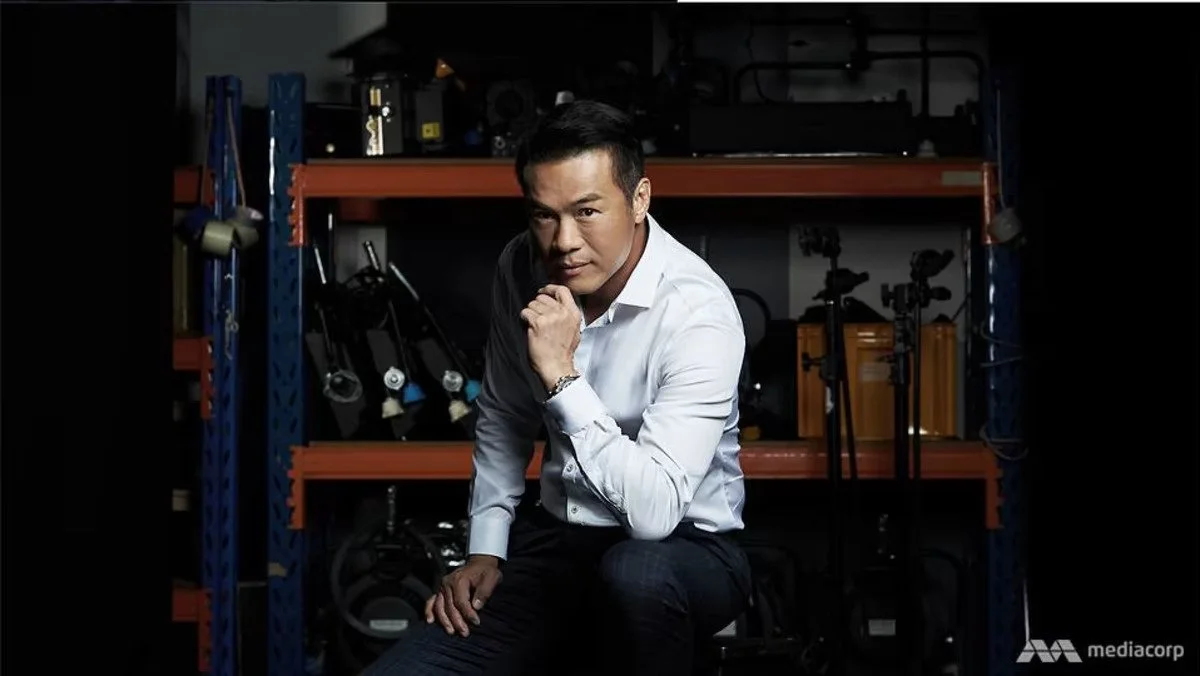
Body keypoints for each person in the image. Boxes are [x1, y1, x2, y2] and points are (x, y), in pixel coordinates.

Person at [363, 100, 752, 676]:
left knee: (634, 572)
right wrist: (487, 549)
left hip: (687, 551)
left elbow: (656, 514)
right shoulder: (520, 265)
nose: (563, 241)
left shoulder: (698, 312)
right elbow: (501, 415)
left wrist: (561, 376)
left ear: (640, 199)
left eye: (588, 211)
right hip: (560, 541)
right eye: (543, 215)